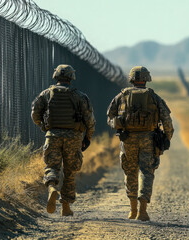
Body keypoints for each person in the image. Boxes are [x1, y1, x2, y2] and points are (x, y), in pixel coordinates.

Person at [107, 66, 174, 221]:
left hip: (128, 138)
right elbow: (167, 120)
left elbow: (110, 117)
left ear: (131, 79)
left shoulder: (121, 96)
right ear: (146, 79)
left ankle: (132, 210)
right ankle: (142, 210)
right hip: (148, 139)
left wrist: (119, 127)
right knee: (147, 171)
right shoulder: (154, 97)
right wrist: (167, 137)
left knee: (130, 172)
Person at [31, 64, 95, 216]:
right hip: (74, 137)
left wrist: (44, 127)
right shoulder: (80, 96)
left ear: (56, 76)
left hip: (52, 136)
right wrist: (87, 137)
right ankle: (66, 207)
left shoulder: (46, 94)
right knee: (70, 171)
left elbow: (35, 113)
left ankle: (52, 187)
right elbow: (90, 120)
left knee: (51, 167)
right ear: (71, 78)